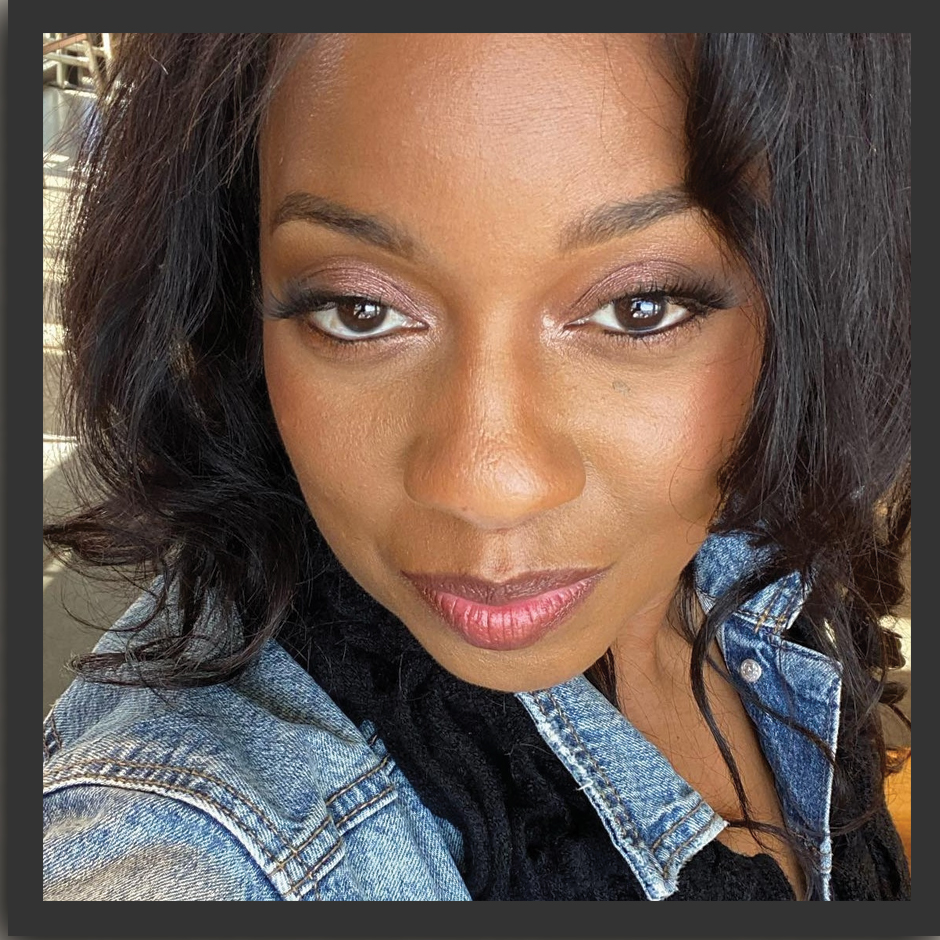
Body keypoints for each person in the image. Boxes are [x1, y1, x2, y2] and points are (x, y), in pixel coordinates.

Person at [42, 33, 911, 901]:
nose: (487, 486)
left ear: (802, 289)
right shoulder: (193, 848)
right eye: (359, 310)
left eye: (639, 307)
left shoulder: (757, 553)